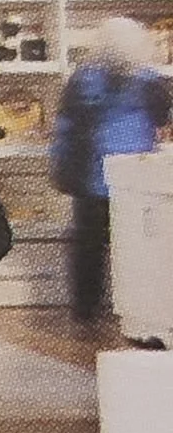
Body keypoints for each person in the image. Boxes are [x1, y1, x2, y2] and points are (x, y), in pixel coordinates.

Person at [50, 17, 172, 325]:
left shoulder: (83, 80)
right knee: (137, 246)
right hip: (136, 178)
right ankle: (139, 308)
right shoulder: (148, 80)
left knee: (88, 246)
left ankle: (85, 309)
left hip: (92, 175)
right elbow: (161, 118)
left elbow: (66, 124)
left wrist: (62, 167)